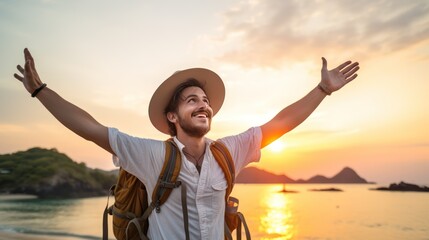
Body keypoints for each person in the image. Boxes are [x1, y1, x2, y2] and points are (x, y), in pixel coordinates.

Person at [13, 48, 359, 239]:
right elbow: (90, 128)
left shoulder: (228, 151)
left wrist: (322, 90)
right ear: (173, 117)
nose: (203, 104)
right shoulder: (152, 155)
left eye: (205, 100)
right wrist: (41, 92)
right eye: (192, 100)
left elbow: (281, 123)